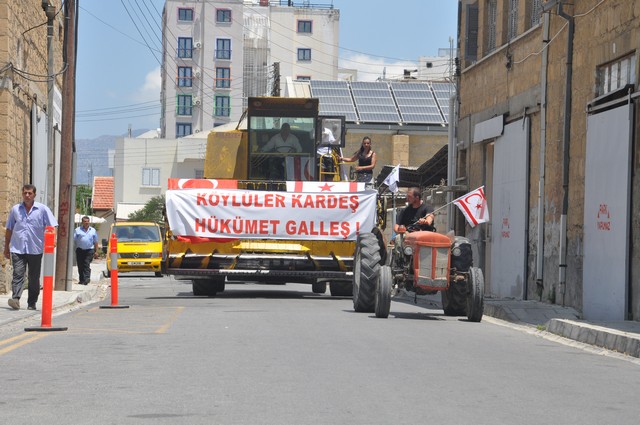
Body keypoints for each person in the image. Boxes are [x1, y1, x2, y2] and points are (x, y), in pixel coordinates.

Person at [4, 184, 58, 310]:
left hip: (35, 249)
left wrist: (52, 239)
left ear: (34, 195)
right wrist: (6, 247)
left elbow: (52, 226)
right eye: (25, 193)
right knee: (18, 274)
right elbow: (9, 229)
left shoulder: (42, 209)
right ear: (22, 194)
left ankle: (32, 302)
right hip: (18, 248)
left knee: (34, 277)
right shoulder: (15, 210)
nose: (27, 195)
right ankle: (15, 299)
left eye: (29, 193)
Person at [392, 187, 435, 258]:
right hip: (409, 235)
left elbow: (430, 217)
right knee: (398, 239)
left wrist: (425, 221)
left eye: (409, 197)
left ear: (417, 198)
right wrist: (402, 232)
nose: (407, 198)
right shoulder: (405, 211)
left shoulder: (427, 208)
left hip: (425, 235)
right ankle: (401, 260)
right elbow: (396, 226)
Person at [73, 216, 100, 285]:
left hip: (89, 250)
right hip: (80, 250)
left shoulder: (93, 230)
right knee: (80, 265)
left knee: (86, 263)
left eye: (87, 221)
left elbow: (96, 241)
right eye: (85, 221)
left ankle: (87, 278)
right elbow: (73, 240)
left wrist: (96, 251)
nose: (86, 223)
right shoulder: (77, 230)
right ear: (82, 222)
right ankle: (81, 280)